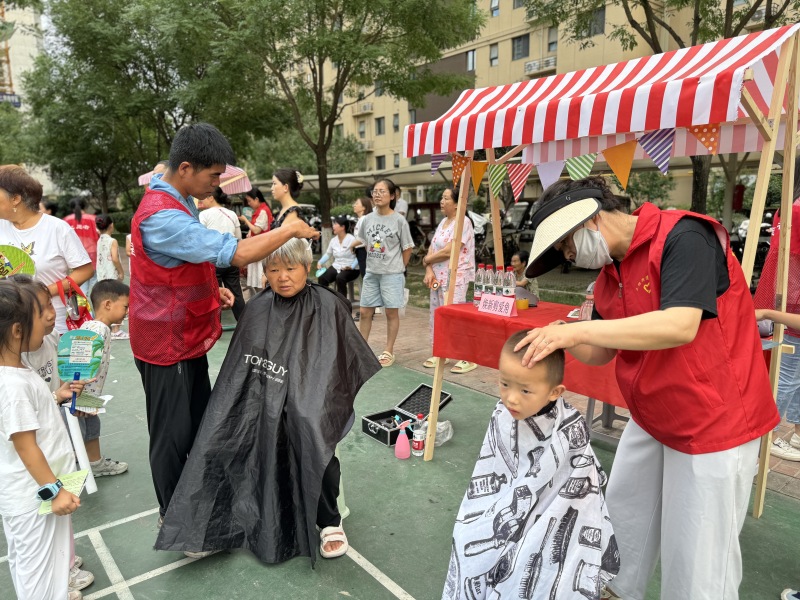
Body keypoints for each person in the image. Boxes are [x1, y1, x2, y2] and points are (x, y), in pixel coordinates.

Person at [517, 176, 778, 599]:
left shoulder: (684, 236)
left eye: (565, 244)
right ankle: (614, 590)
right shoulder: (610, 273)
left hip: (714, 419)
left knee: (698, 556)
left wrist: (575, 332)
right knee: (622, 519)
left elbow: (680, 324)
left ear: (591, 218)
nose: (569, 256)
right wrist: (563, 335)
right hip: (653, 414)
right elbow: (602, 351)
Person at [129, 122, 319, 530]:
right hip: (166, 341)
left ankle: (198, 500)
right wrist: (288, 229)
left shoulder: (181, 201)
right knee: (172, 435)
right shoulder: (161, 215)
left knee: (199, 421)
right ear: (185, 168)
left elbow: (182, 261)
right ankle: (173, 517)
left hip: (186, 334)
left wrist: (211, 289)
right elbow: (236, 253)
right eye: (214, 175)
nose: (218, 184)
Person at [154, 238, 381, 564]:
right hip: (262, 393)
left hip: (311, 395)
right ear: (264, 272)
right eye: (274, 269)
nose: (282, 277)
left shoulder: (327, 305)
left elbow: (333, 366)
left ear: (307, 267)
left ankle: (329, 520)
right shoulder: (258, 308)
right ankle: (219, 523)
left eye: (290, 268)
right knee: (219, 428)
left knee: (310, 426)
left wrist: (298, 396)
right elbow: (243, 367)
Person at [444, 330, 618, 599]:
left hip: (554, 517)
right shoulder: (501, 413)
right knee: (465, 538)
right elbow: (492, 468)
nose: (511, 398)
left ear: (555, 392)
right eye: (504, 384)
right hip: (504, 509)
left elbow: (581, 488)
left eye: (525, 390)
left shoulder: (569, 427)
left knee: (532, 566)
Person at [0, 279, 83, 600]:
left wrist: (56, 396)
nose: (51, 316)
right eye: (41, 312)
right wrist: (55, 492)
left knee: (37, 567)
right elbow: (25, 445)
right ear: (17, 330)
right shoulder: (13, 385)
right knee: (40, 577)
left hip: (32, 495)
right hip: (36, 497)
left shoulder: (17, 373)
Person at [0, 165, 94, 333]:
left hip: (51, 323)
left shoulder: (57, 229)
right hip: (8, 322)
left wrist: (44, 292)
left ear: (15, 199)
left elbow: (85, 271)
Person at [753, 159, 800, 461]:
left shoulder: (788, 207)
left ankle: (790, 434)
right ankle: (763, 440)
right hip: (791, 303)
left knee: (790, 374)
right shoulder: (795, 210)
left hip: (784, 299)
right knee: (786, 377)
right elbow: (790, 264)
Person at [72, 279, 131, 478]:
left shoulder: (91, 325)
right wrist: (79, 397)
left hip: (86, 392)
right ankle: (86, 463)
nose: (126, 312)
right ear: (107, 304)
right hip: (84, 393)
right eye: (125, 306)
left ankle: (93, 462)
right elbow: (82, 361)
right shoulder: (99, 329)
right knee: (83, 429)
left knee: (91, 426)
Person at [355, 178, 414, 367]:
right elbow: (365, 242)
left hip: (392, 274)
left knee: (390, 312)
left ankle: (388, 350)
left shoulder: (399, 220)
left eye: (382, 191)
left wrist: (399, 268)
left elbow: (407, 247)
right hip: (372, 273)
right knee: (365, 311)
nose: (377, 194)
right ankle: (362, 349)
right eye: (375, 191)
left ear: (392, 196)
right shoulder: (367, 220)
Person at [422, 186, 477, 374]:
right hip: (437, 276)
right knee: (437, 314)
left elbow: (449, 251)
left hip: (456, 276)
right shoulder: (443, 222)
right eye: (442, 197)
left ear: (457, 204)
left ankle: (467, 357)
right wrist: (428, 268)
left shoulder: (464, 222)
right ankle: (440, 353)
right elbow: (432, 247)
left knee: (455, 315)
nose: (442, 201)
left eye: (446, 198)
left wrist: (427, 260)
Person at [755, 307, 800, 460]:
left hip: (790, 321)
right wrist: (767, 313)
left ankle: (796, 433)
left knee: (793, 379)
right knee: (787, 380)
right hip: (791, 324)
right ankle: (769, 435)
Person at [198, 187, 245, 320]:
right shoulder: (232, 214)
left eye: (205, 196)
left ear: (211, 197)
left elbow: (200, 239)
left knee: (215, 297)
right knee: (236, 294)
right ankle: (244, 323)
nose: (202, 200)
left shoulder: (204, 215)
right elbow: (238, 238)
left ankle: (216, 327)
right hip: (232, 259)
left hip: (213, 261)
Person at [238, 187, 273, 296]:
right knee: (257, 281)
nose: (249, 204)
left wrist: (245, 220)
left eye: (250, 201)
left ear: (257, 199)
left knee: (260, 281)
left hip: (261, 249)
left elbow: (257, 230)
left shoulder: (263, 211)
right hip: (258, 247)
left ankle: (262, 300)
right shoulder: (260, 210)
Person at [63, 198, 100, 296]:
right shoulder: (94, 219)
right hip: (94, 255)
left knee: (81, 286)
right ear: (85, 206)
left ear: (71, 208)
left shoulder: (66, 221)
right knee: (95, 283)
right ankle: (96, 304)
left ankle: (83, 306)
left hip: (75, 257)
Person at [317, 216, 359, 297]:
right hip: (337, 266)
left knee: (340, 278)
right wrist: (320, 262)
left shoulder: (352, 239)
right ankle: (324, 299)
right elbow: (328, 254)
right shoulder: (333, 240)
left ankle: (342, 302)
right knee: (322, 277)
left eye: (335, 224)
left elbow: (359, 256)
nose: (333, 226)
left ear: (343, 227)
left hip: (352, 268)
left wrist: (352, 266)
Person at [94, 215, 124, 282]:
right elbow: (115, 259)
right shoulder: (112, 241)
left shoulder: (99, 240)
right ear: (112, 225)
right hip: (111, 275)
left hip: (101, 275)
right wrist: (121, 272)